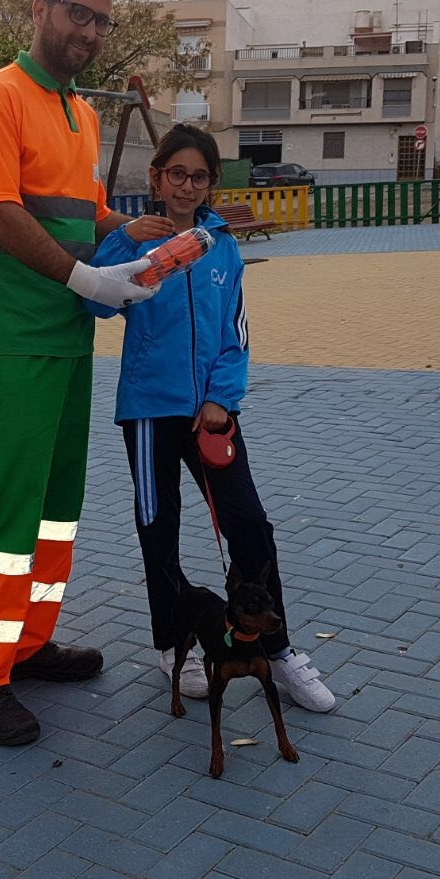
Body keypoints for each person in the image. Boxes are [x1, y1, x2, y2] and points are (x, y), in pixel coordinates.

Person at [0, 0, 160, 747]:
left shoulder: (81, 113)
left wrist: (130, 235)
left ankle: (28, 646)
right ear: (40, 10)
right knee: (4, 513)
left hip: (67, 340)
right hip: (8, 344)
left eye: (102, 20)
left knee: (54, 511)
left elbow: (82, 211)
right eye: (78, 13)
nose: (90, 31)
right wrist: (85, 278)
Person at [87, 124, 338, 713]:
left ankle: (277, 649)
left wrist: (221, 399)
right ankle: (173, 645)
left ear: (210, 184)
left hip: (213, 415)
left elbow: (235, 332)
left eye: (199, 177)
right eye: (177, 174)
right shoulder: (136, 242)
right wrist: (124, 241)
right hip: (149, 412)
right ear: (157, 177)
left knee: (249, 526)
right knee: (159, 530)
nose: (187, 186)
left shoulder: (220, 245)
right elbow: (95, 303)